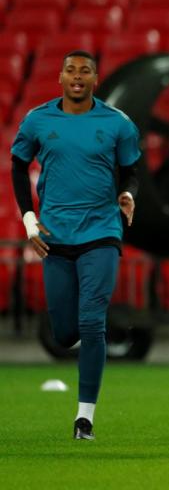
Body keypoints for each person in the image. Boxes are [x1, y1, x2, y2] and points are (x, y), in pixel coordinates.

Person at [10, 50, 141, 441]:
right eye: (71, 70)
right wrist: (29, 218)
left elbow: (131, 169)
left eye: (86, 71)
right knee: (65, 332)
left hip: (101, 232)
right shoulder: (38, 120)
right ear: (61, 78)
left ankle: (84, 418)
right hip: (55, 237)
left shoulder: (117, 123)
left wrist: (128, 195)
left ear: (95, 80)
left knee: (91, 320)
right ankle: (83, 342)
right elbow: (18, 164)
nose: (78, 76)